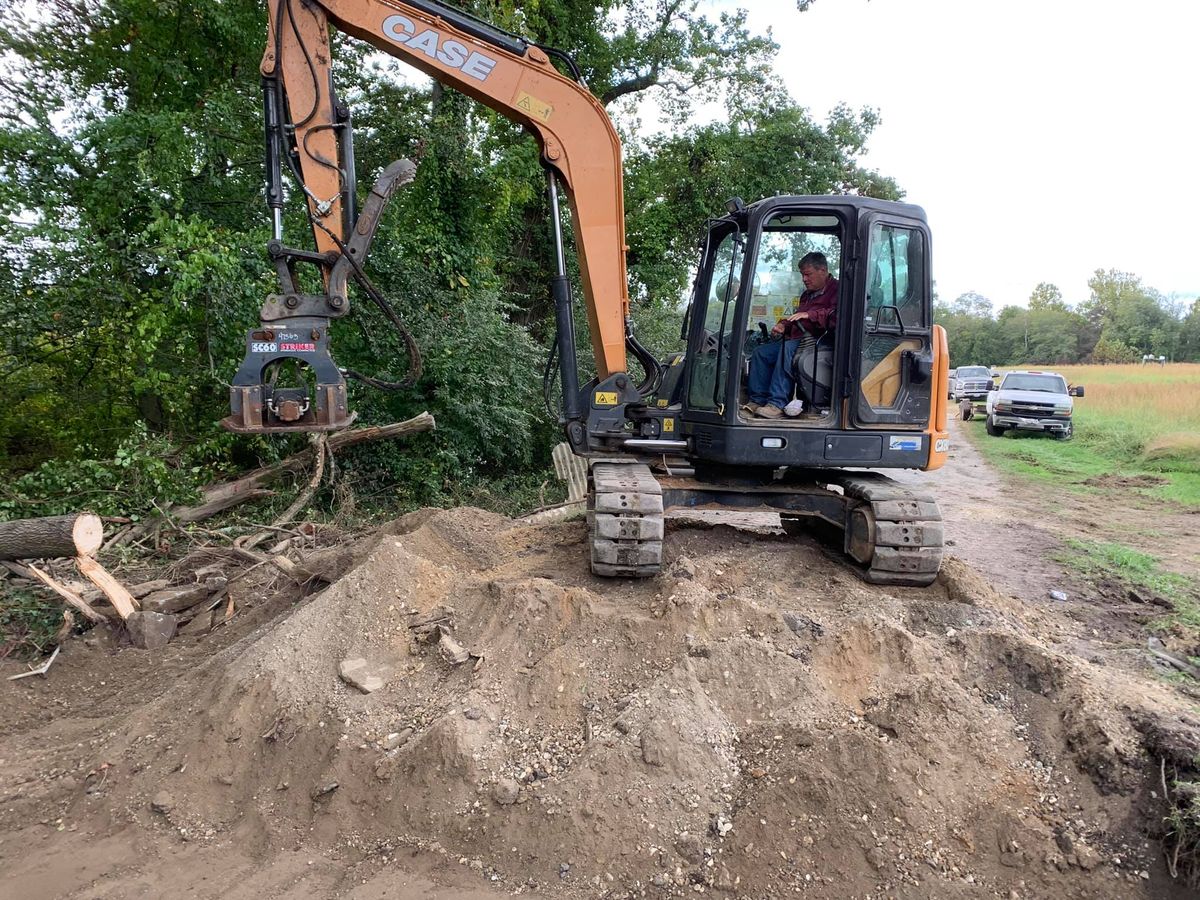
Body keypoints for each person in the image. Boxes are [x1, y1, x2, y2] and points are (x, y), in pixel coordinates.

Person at [743, 252, 838, 418]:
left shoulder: (838, 290)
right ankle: (757, 400)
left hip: (821, 341)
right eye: (802, 275)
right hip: (799, 338)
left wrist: (810, 315)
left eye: (808, 274)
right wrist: (783, 326)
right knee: (761, 353)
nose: (804, 279)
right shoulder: (807, 295)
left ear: (822, 270)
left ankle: (777, 403)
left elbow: (835, 315)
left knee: (787, 349)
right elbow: (796, 316)